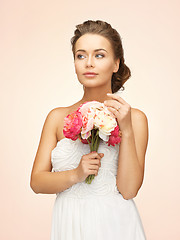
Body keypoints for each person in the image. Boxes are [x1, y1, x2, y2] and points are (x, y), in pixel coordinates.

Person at [30, 20, 149, 240]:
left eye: (100, 55)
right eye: (81, 55)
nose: (89, 63)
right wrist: (76, 174)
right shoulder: (57, 117)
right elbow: (37, 182)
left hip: (117, 226)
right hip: (70, 225)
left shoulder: (135, 119)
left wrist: (126, 129)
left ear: (116, 64)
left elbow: (129, 190)